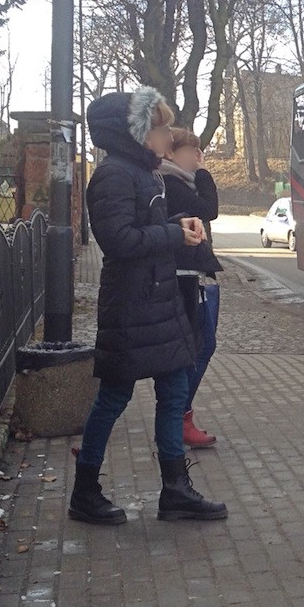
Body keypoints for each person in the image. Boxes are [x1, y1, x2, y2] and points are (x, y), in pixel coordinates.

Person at [68, 86, 228, 526]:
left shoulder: (143, 174)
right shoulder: (113, 175)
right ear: (136, 134)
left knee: (175, 390)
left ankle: (175, 489)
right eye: (158, 128)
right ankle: (85, 491)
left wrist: (178, 223)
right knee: (114, 397)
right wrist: (175, 235)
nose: (166, 136)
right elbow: (119, 242)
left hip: (158, 302)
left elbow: (145, 228)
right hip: (132, 304)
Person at [160, 127, 223, 449]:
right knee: (198, 346)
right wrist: (203, 173)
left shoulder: (176, 181)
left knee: (201, 345)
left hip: (194, 275)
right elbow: (209, 208)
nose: (197, 157)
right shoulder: (172, 182)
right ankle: (178, 418)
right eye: (192, 152)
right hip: (184, 276)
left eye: (200, 152)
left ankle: (179, 416)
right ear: (171, 154)